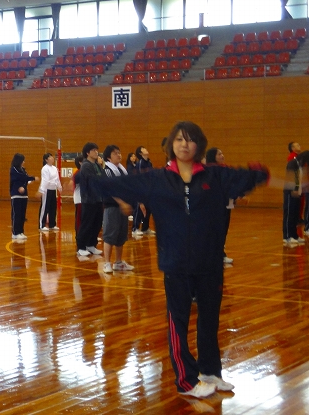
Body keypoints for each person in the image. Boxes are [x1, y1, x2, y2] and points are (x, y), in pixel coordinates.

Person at [94, 121, 269, 398]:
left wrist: (258, 174)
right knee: (178, 321)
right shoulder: (157, 179)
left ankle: (210, 371)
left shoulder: (214, 176)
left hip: (209, 261)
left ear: (199, 144)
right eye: (178, 139)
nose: (184, 144)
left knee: (210, 319)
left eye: (189, 139)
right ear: (171, 145)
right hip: (176, 262)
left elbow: (243, 178)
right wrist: (85, 180)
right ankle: (186, 381)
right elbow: (116, 183)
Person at [101, 145, 133, 274]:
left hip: (123, 207)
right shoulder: (107, 170)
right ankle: (107, 263)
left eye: (119, 153)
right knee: (110, 235)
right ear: (109, 157)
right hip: (112, 207)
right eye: (115, 153)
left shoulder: (122, 170)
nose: (119, 155)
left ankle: (118, 262)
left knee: (121, 235)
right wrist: (121, 203)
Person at [205, 148, 234, 264]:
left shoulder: (225, 169)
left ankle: (219, 254)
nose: (222, 156)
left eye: (222, 153)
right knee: (216, 231)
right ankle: (217, 255)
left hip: (227, 204)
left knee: (223, 230)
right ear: (213, 156)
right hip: (215, 205)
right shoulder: (209, 171)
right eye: (219, 154)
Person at [76, 143, 104, 260]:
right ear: (87, 153)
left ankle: (91, 245)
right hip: (89, 200)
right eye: (93, 150)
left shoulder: (97, 165)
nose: (96, 152)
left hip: (98, 199)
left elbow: (103, 178)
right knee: (86, 224)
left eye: (97, 150)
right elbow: (93, 181)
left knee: (97, 223)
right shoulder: (86, 166)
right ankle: (81, 247)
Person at [282, 151, 309, 247]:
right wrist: (295, 188)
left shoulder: (301, 165)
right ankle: (287, 236)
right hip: (291, 192)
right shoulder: (292, 163)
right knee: (289, 214)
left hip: (298, 192)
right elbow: (292, 177)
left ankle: (294, 235)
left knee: (295, 215)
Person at [10, 153, 38, 240]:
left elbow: (25, 179)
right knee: (17, 214)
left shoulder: (23, 170)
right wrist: (32, 178)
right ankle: (15, 232)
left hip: (24, 195)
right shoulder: (13, 170)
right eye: (22, 160)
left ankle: (21, 231)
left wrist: (26, 183)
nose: (24, 162)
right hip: (16, 195)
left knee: (22, 215)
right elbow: (21, 178)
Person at [132, 146, 154, 237]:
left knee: (148, 209)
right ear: (140, 153)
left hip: (149, 189)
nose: (146, 149)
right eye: (143, 149)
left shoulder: (149, 162)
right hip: (141, 189)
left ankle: (145, 228)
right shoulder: (140, 163)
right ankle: (135, 228)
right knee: (139, 209)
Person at [38, 153, 62, 231]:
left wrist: (59, 187)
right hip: (46, 190)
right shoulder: (45, 168)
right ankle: (42, 225)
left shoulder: (54, 168)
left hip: (53, 190)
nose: (52, 158)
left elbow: (57, 179)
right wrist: (41, 190)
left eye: (52, 157)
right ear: (46, 160)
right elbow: (45, 180)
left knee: (53, 207)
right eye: (50, 157)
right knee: (45, 207)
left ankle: (52, 224)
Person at [72, 155, 84, 240]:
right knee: (79, 219)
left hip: (84, 199)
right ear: (80, 162)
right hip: (79, 199)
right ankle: (79, 235)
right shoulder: (78, 173)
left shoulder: (82, 172)